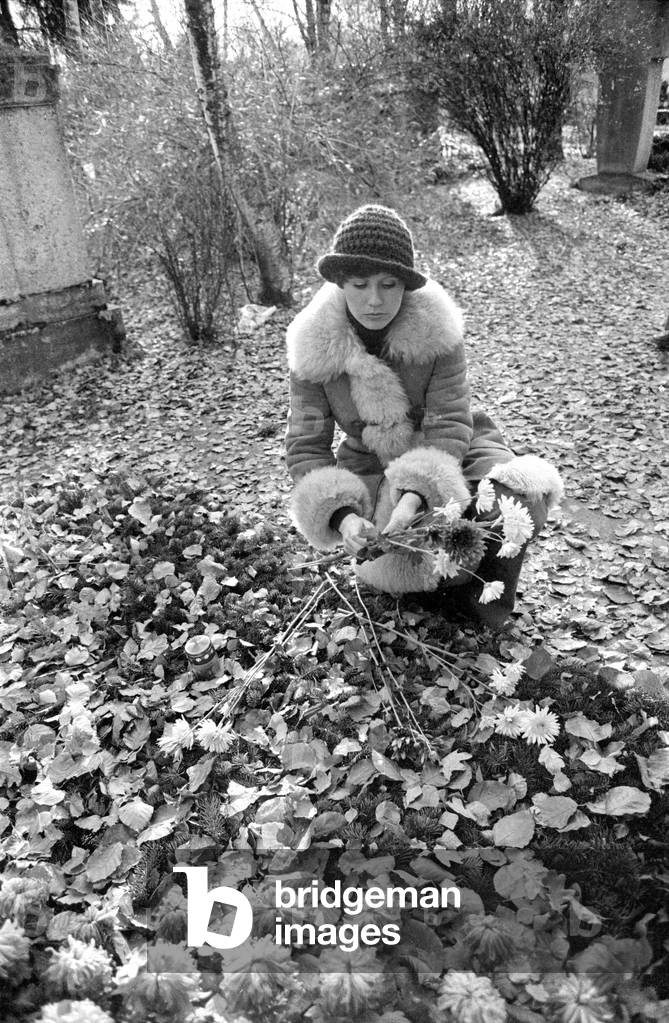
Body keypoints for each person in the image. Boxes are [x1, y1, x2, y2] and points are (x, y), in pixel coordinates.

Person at [284, 204, 563, 627]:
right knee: (391, 557)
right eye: (359, 284)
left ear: (407, 286)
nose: (374, 299)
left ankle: (483, 613)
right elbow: (306, 447)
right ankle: (432, 602)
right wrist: (343, 518)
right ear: (341, 283)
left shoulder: (438, 332)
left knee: (513, 503)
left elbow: (450, 420)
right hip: (372, 461)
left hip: (456, 443)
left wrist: (414, 495)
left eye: (389, 284)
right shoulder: (311, 349)